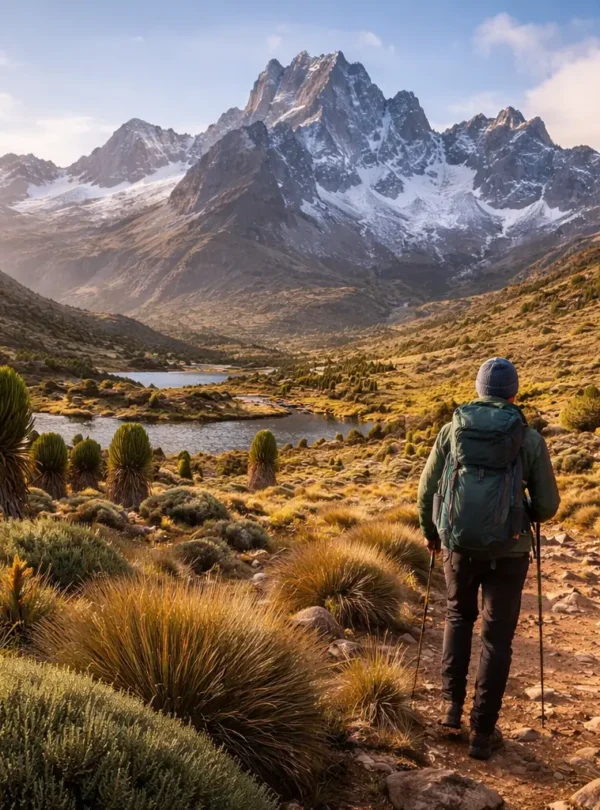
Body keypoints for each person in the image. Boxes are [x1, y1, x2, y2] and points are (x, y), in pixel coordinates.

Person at [417, 357, 559, 760]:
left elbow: (426, 491)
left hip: (459, 546)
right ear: (514, 393)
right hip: (510, 551)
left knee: (459, 617)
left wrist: (432, 535)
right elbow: (548, 505)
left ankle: (450, 709)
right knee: (497, 639)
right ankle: (482, 731)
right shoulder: (528, 438)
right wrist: (520, 511)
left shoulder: (452, 430)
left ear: (479, 390)